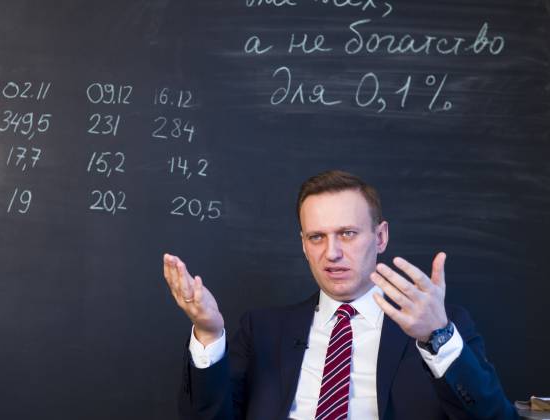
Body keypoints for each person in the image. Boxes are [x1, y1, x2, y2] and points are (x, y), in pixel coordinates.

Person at [163, 170, 516, 420]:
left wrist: (436, 336)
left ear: (380, 238)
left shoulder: (440, 326)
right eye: (316, 237)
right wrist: (209, 334)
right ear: (303, 244)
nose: (331, 253)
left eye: (347, 234)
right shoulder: (262, 330)